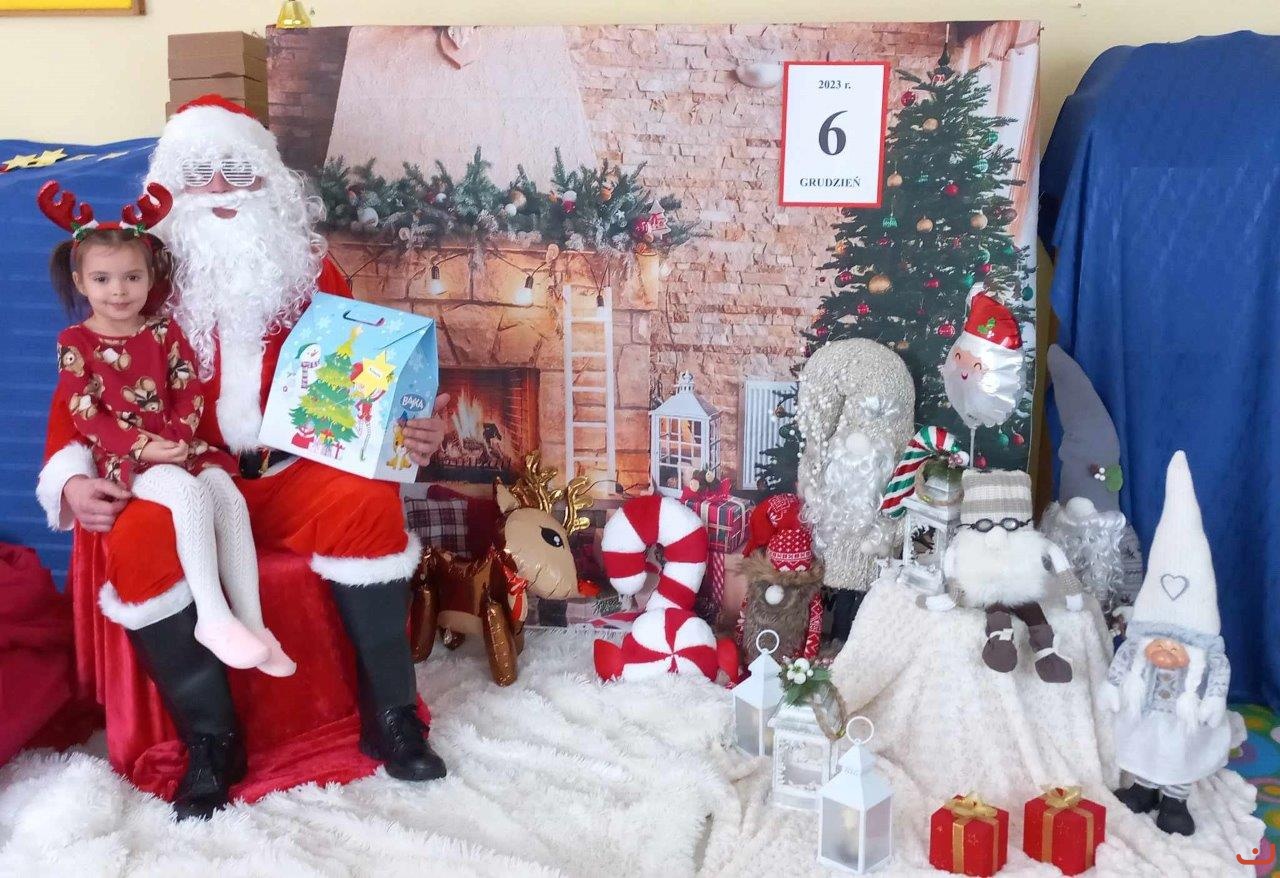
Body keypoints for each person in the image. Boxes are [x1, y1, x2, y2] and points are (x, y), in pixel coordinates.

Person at [35, 95, 450, 820]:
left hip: (291, 474)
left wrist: (410, 427)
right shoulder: (135, 281)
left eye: (238, 170)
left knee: (367, 503)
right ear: (169, 189)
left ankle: (391, 715)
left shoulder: (313, 274)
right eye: (201, 174)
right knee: (138, 538)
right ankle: (211, 739)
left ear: (271, 182)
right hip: (182, 477)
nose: (221, 190)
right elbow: (80, 391)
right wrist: (69, 480)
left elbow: (364, 384)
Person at [42, 180, 294, 678]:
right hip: (128, 460)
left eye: (132, 277)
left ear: (150, 277)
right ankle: (213, 617)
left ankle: (254, 623)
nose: (119, 291)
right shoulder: (75, 342)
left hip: (181, 446)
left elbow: (187, 387)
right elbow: (85, 412)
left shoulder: (163, 329)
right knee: (189, 496)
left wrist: (177, 439)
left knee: (227, 496)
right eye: (103, 279)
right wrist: (145, 447)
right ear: (80, 281)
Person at [1101, 451, 1231, 836]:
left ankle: (1174, 800)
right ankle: (1143, 789)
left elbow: (1219, 672)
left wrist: (1213, 700)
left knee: (1181, 755)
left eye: (1176, 647)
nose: (1166, 650)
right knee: (1143, 747)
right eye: (1160, 643)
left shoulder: (1206, 655)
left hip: (1183, 716)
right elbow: (1125, 657)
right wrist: (1112, 686)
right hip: (1145, 709)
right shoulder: (1139, 645)